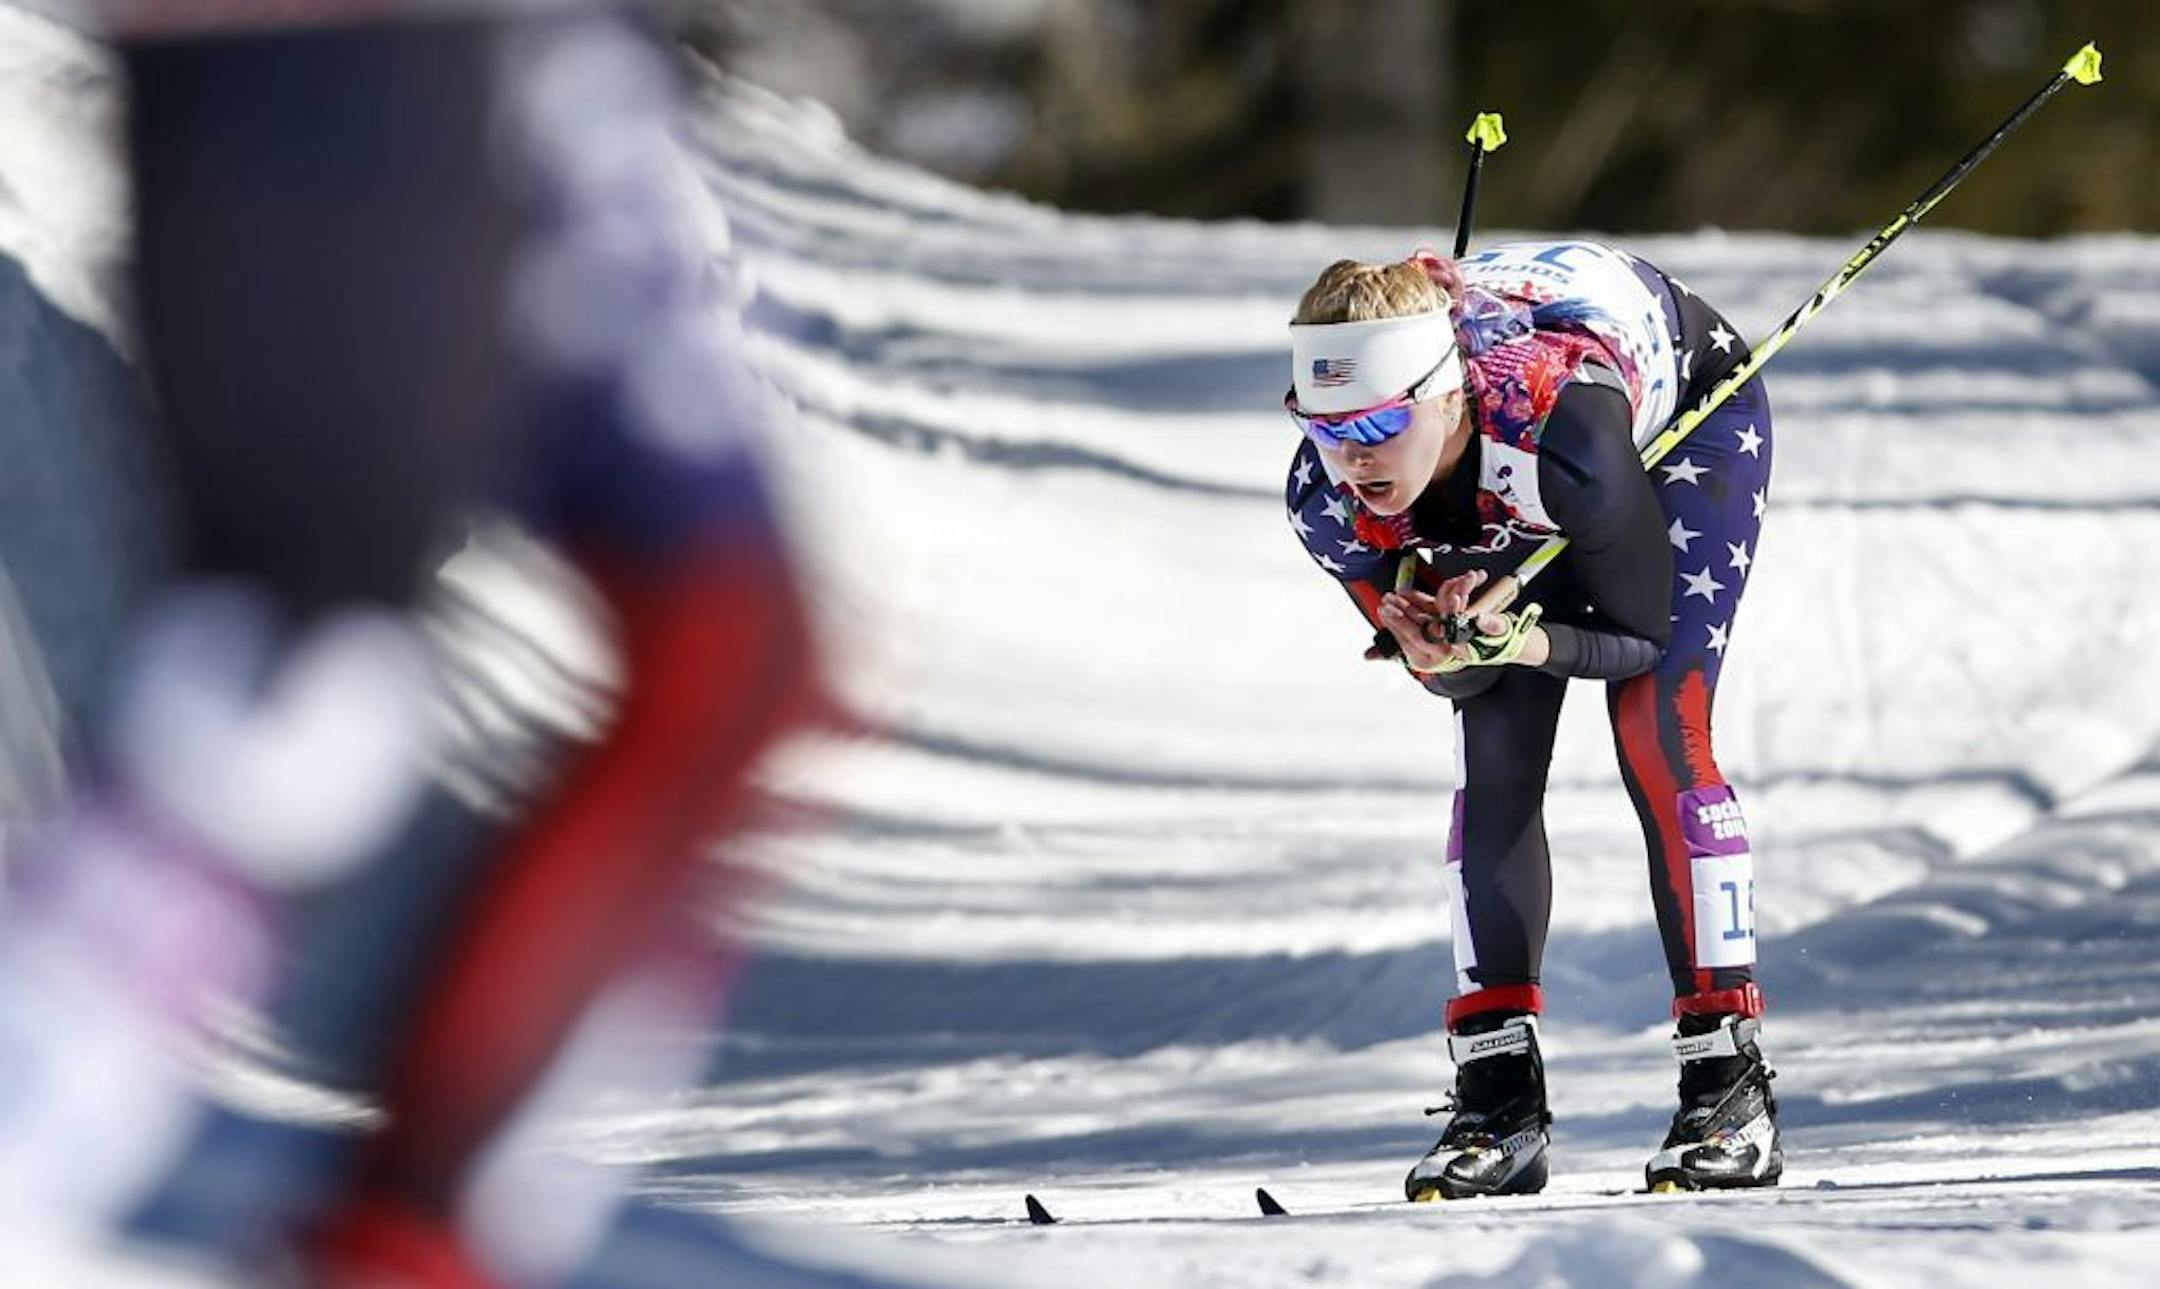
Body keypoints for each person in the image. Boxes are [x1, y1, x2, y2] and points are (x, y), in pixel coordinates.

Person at [1282, 240, 1781, 1199]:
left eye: (1382, 421)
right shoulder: (1328, 497)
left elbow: (1635, 633)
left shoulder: (1572, 438)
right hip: (1494, 464)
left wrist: (1526, 640)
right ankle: (1498, 1098)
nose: (1354, 456)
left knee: (1658, 729)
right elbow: (1458, 680)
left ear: (1440, 392)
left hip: (1677, 414)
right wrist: (1448, 650)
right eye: (1326, 426)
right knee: (1497, 747)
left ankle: (1729, 1086)